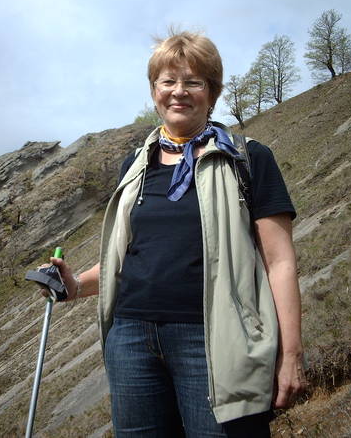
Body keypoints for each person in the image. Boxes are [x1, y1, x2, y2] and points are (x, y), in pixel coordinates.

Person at [40, 30, 306, 437]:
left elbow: (281, 263)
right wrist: (73, 284)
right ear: (154, 91)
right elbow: (131, 256)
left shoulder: (248, 158)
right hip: (131, 340)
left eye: (193, 82)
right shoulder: (136, 163)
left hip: (215, 340)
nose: (178, 92)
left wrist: (290, 355)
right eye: (168, 81)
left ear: (212, 92)